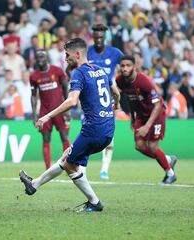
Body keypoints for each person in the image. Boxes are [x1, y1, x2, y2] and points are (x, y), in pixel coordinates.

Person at [19, 37, 121, 212]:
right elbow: (116, 93)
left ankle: (94, 202)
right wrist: (116, 104)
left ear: (78, 53)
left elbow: (72, 101)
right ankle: (34, 184)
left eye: (67, 55)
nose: (66, 58)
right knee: (67, 156)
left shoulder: (79, 73)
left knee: (69, 164)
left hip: (93, 130)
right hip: (108, 129)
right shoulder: (101, 70)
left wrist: (46, 116)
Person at [116, 55, 177, 184]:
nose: (125, 68)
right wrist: (133, 118)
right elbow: (130, 98)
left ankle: (170, 174)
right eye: (122, 66)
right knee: (139, 146)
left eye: (128, 65)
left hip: (156, 113)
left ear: (134, 66)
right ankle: (167, 159)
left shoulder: (144, 81)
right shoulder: (120, 80)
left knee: (153, 146)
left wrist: (147, 126)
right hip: (140, 114)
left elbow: (157, 104)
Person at [87, 23, 123, 179]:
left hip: (107, 99)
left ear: (105, 37)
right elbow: (73, 68)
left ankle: (104, 169)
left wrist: (118, 89)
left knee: (109, 137)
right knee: (88, 133)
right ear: (92, 36)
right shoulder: (87, 52)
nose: (99, 40)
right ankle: (83, 167)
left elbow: (129, 67)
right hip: (89, 99)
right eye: (96, 36)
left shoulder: (115, 53)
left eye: (101, 36)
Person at [30, 50, 70, 169]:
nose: (40, 59)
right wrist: (34, 115)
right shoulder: (34, 76)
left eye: (42, 56)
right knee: (46, 138)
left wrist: (67, 108)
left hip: (59, 109)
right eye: (38, 57)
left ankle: (68, 164)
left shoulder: (57, 71)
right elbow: (33, 95)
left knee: (64, 136)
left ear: (47, 57)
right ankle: (48, 168)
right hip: (44, 111)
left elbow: (65, 89)